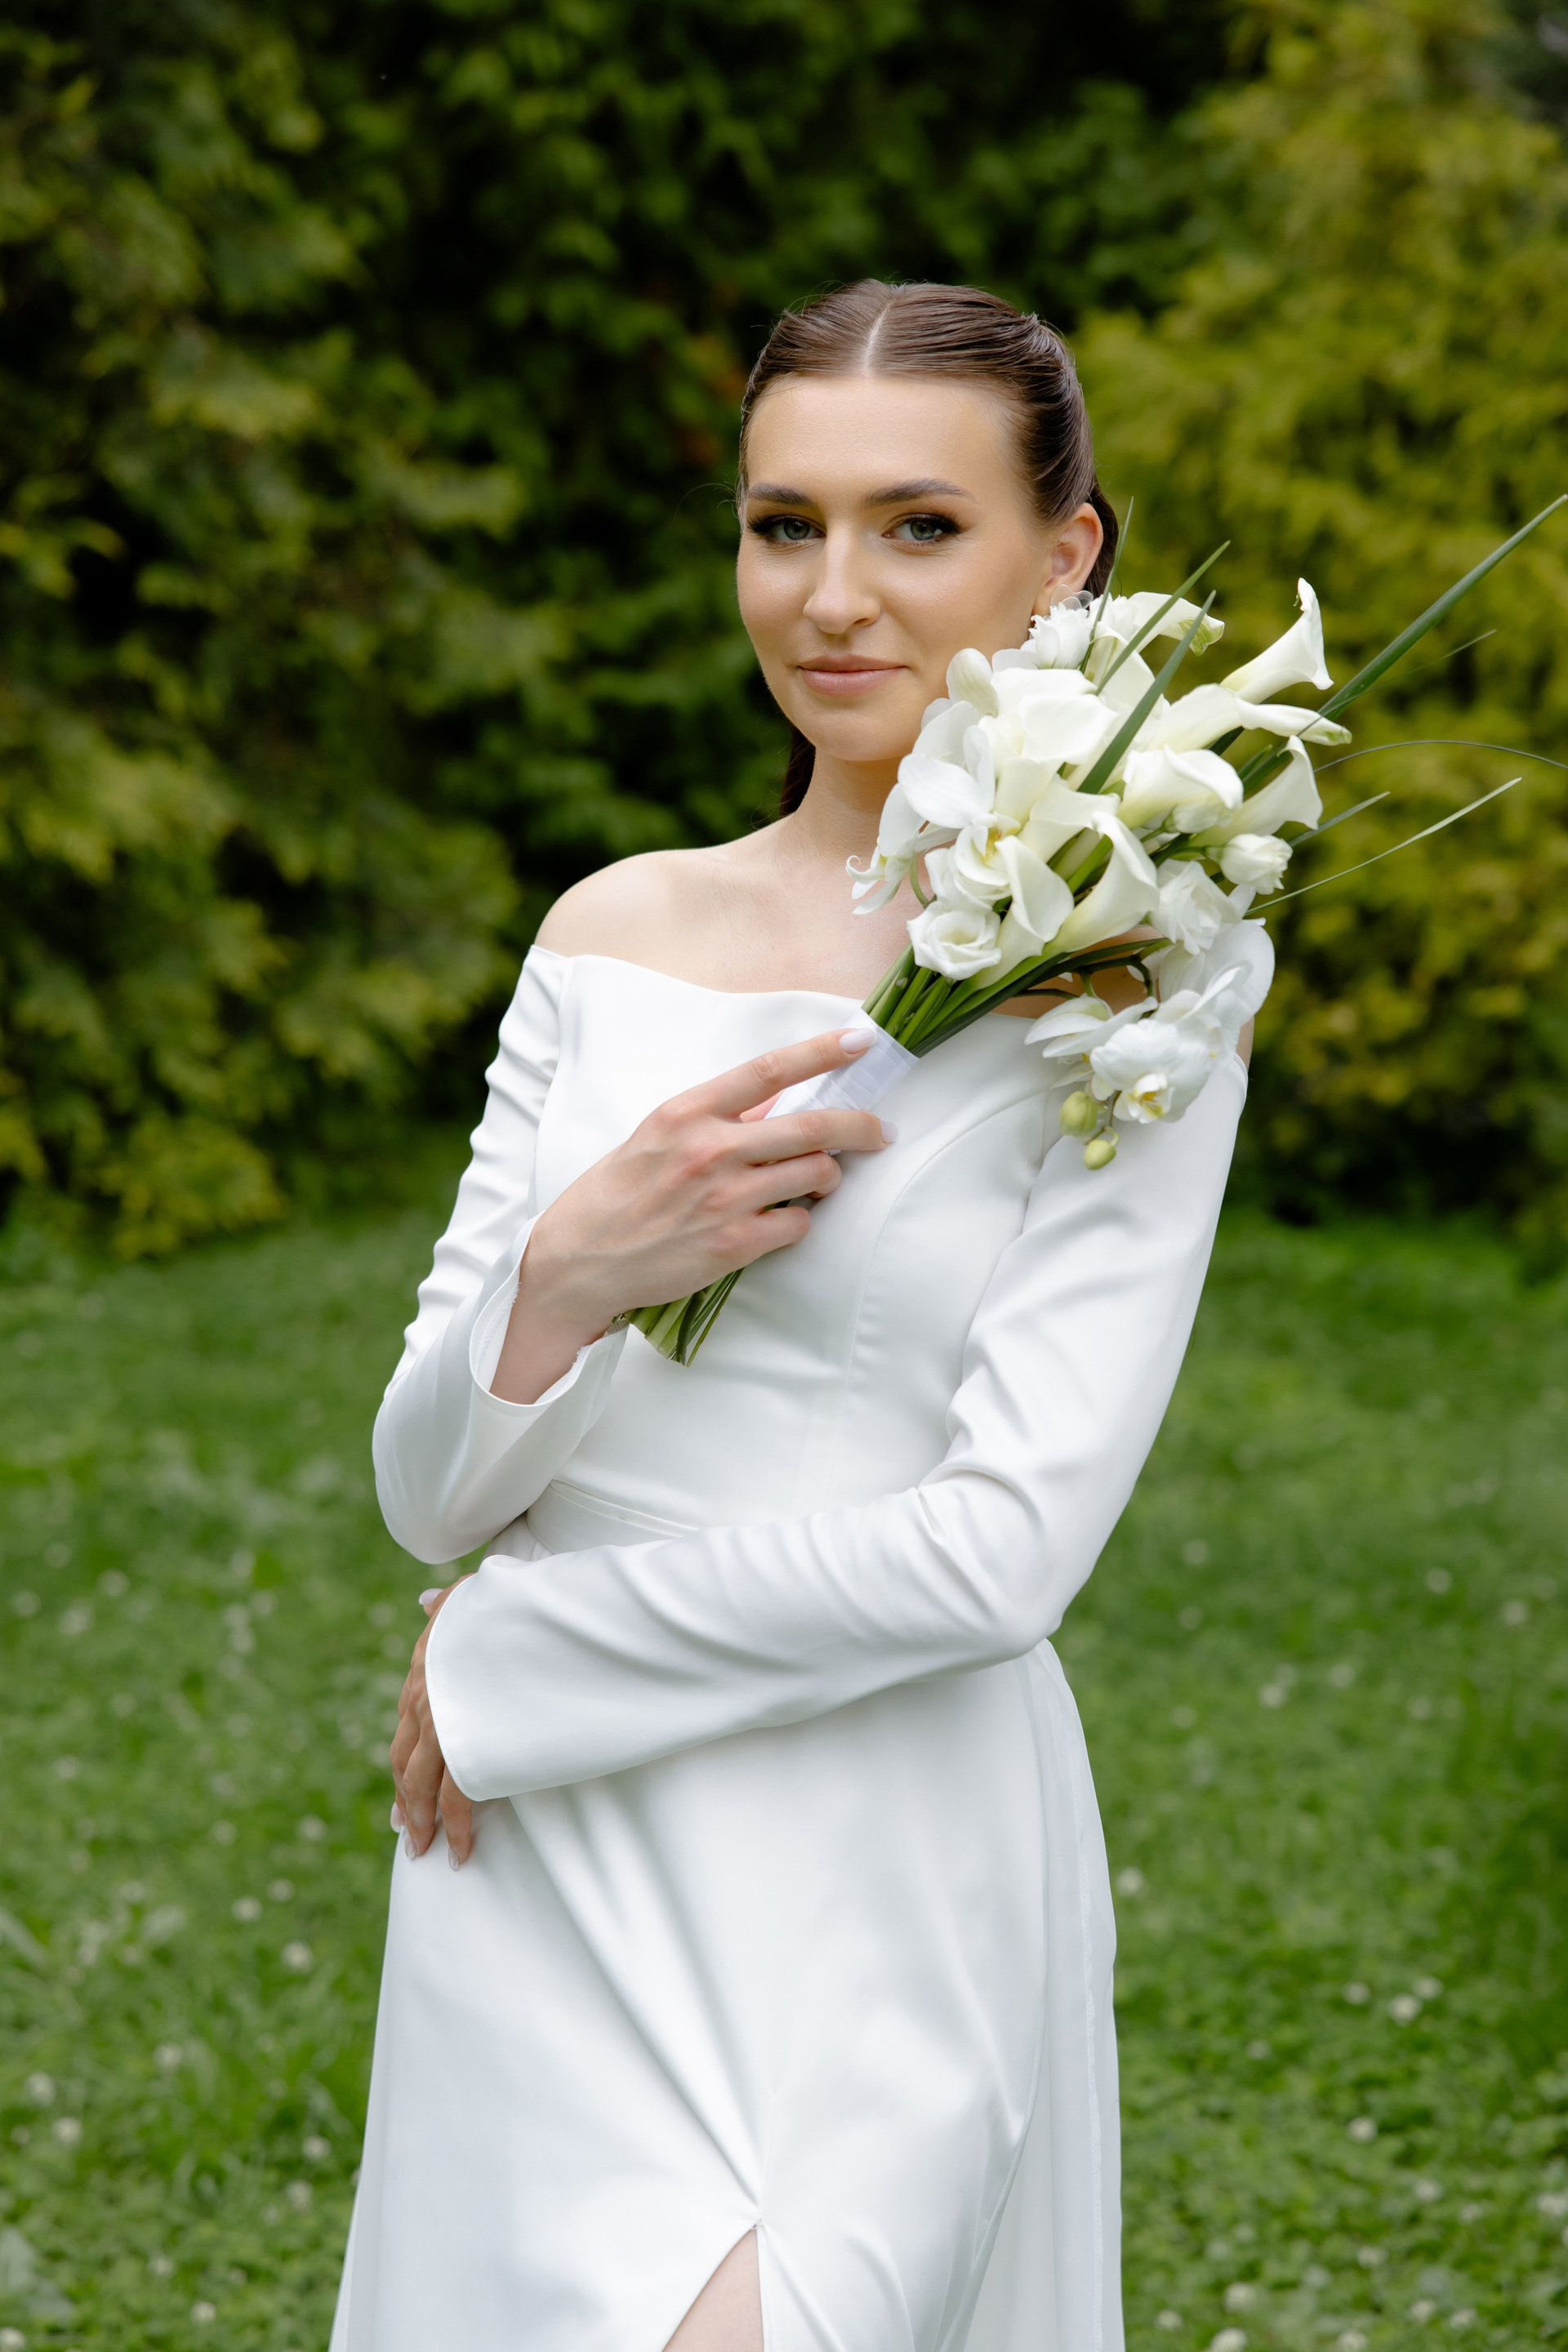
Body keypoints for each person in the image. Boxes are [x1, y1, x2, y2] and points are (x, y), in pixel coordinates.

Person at [332, 279, 1250, 2352]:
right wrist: (577, 1269)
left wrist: (512, 1651)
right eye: (783, 525)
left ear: (1065, 554)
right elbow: (426, 1494)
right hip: (548, 1865)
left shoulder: (1141, 971)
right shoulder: (613, 932)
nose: (833, 598)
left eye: (917, 525)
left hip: (874, 1852)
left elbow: (1003, 1551)